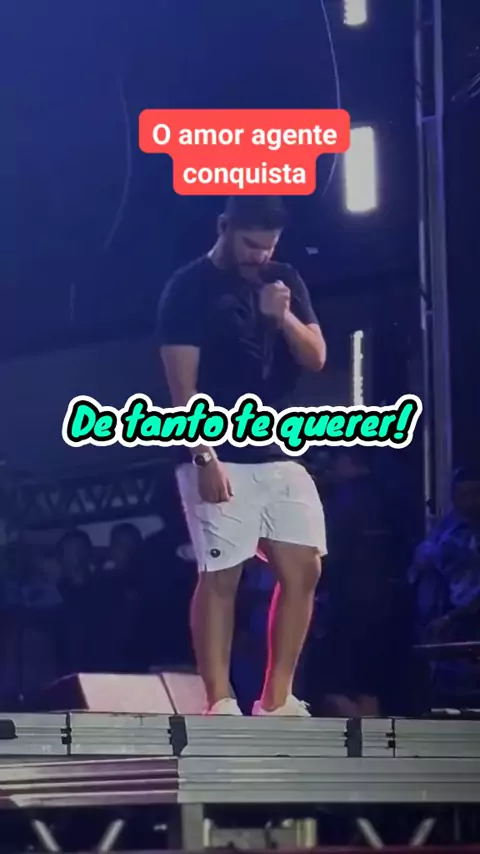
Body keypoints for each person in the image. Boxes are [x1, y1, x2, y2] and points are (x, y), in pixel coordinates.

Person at [156, 195, 327, 716]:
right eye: (251, 244)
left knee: (304, 568)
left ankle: (276, 700)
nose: (260, 255)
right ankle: (219, 700)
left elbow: (317, 357)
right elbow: (182, 388)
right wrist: (203, 456)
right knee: (222, 573)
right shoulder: (188, 288)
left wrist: (285, 317)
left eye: (269, 246)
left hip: (278, 447)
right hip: (216, 447)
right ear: (224, 227)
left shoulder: (284, 279)